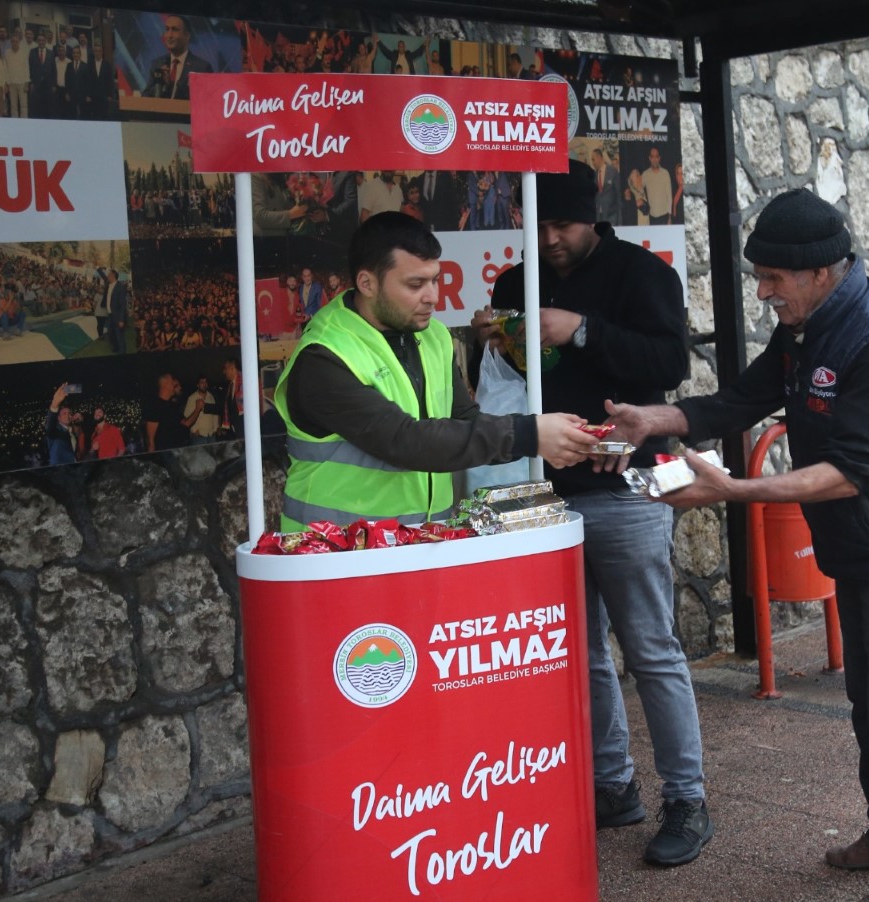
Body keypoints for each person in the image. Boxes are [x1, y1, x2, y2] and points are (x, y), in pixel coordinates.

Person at [603, 189, 869, 902]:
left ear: (821, 273)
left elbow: (847, 474)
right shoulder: (806, 329)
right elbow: (740, 401)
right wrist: (656, 419)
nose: (763, 292)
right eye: (759, 277)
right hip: (865, 550)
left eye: (774, 278)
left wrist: (733, 490)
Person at [473, 158, 709, 868]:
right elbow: (514, 387)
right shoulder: (514, 283)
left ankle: (688, 800)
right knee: (578, 652)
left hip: (628, 487)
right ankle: (613, 786)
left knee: (652, 648)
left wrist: (580, 330)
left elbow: (669, 365)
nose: (549, 239)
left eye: (564, 225)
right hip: (537, 494)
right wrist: (499, 337)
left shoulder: (642, 275)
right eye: (536, 225)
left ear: (593, 217)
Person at [274, 211, 595, 531]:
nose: (433, 297)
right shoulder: (325, 355)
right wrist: (530, 434)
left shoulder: (434, 335)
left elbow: (465, 422)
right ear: (367, 283)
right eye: (416, 284)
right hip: (333, 550)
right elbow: (404, 441)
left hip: (422, 543)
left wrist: (555, 439)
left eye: (436, 280)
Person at [157, 14, 213, 100]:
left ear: (187, 36)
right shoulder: (158, 64)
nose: (169, 35)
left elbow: (207, 100)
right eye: (167, 29)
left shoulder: (202, 68)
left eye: (175, 30)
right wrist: (160, 86)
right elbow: (146, 96)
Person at [144, 373, 197, 452]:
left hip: (177, 451)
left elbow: (185, 423)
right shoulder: (154, 406)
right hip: (165, 453)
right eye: (172, 382)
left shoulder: (171, 406)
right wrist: (152, 456)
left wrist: (198, 408)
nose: (174, 385)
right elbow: (150, 440)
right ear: (167, 385)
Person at [46, 384, 78, 466]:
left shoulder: (71, 432)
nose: (68, 415)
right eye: (64, 413)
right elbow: (49, 425)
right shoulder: (55, 431)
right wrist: (55, 404)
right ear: (58, 418)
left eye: (69, 413)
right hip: (59, 471)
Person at [183, 375, 220, 445]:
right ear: (198, 385)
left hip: (211, 436)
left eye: (205, 382)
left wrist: (215, 429)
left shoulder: (211, 397)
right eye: (202, 382)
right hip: (198, 436)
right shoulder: (192, 398)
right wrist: (194, 430)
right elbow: (186, 416)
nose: (204, 384)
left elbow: (214, 414)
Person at [642, 147, 673, 225]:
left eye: (656, 157)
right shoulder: (645, 174)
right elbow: (637, 187)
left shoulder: (665, 173)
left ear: (659, 158)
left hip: (664, 216)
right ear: (649, 158)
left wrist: (669, 217)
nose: (654, 160)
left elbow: (669, 196)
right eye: (652, 157)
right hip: (651, 217)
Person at [592, 148, 622, 225]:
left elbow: (619, 195)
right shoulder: (594, 175)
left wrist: (619, 220)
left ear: (599, 157)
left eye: (593, 159)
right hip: (598, 216)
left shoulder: (613, 171)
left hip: (611, 216)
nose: (592, 163)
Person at [28, 31, 55, 117]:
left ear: (45, 41)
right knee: (37, 106)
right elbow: (30, 68)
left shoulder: (51, 53)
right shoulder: (32, 52)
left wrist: (54, 84)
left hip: (48, 84)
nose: (41, 42)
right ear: (37, 41)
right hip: (36, 83)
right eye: (39, 40)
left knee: (47, 106)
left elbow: (54, 70)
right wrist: (31, 82)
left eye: (43, 40)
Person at [5, 32, 29, 118]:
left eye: (16, 41)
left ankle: (24, 122)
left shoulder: (24, 52)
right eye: (13, 41)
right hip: (11, 83)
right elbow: (6, 69)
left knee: (24, 105)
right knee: (13, 106)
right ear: (11, 42)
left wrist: (27, 82)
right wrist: (7, 83)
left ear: (19, 42)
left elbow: (27, 68)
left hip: (22, 82)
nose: (15, 43)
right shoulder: (7, 53)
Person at [104, 269, 127, 354]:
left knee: (119, 335)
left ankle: (122, 351)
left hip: (117, 316)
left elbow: (122, 305)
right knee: (111, 334)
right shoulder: (109, 285)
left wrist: (121, 320)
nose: (107, 276)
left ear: (113, 276)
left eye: (109, 275)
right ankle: (116, 347)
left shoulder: (120, 287)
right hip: (110, 315)